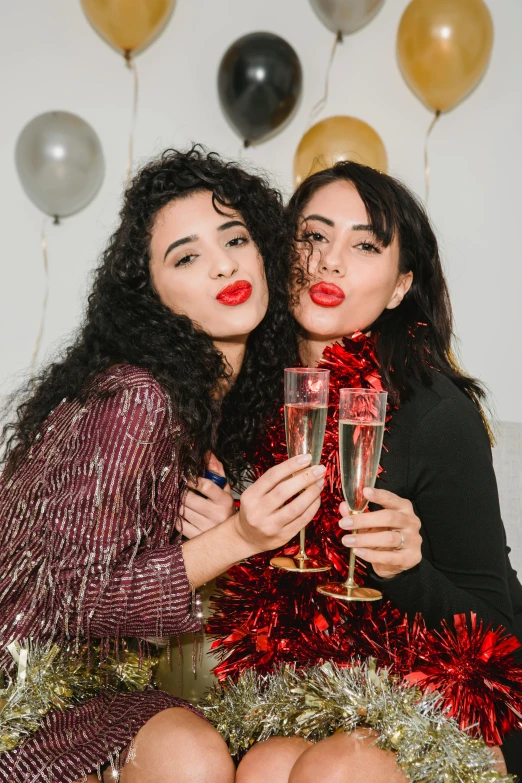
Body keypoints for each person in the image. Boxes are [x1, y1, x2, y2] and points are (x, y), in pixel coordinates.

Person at [0, 147, 325, 783]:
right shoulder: (138, 398)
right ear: (151, 297)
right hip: (23, 702)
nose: (224, 263)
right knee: (191, 754)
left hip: (90, 687)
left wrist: (225, 539)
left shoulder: (215, 407)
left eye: (235, 237)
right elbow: (76, 596)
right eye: (186, 256)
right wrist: (240, 538)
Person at [204, 161, 522, 780]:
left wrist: (408, 570)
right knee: (265, 767)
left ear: (401, 286)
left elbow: (500, 631)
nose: (330, 262)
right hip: (314, 692)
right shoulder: (244, 398)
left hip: (443, 699)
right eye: (313, 236)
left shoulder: (434, 413)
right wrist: (228, 540)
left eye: (365, 245)